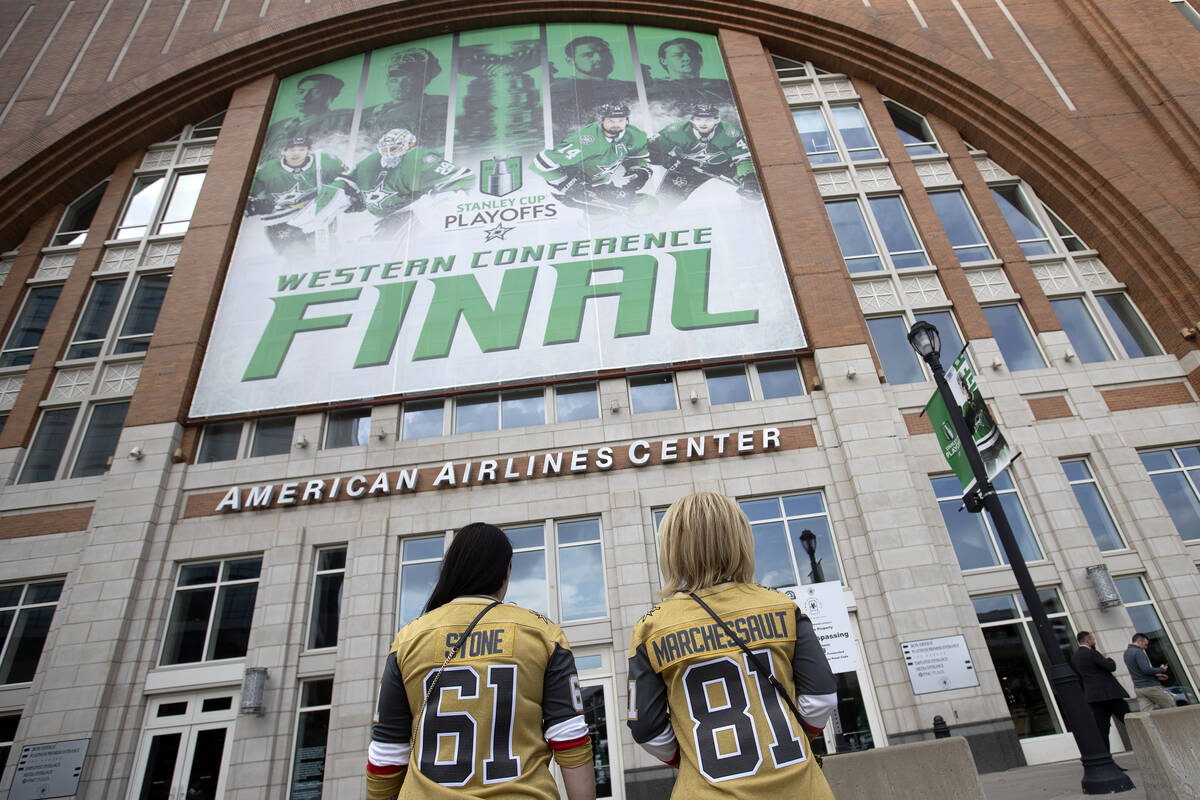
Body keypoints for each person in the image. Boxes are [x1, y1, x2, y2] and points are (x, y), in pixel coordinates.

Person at [626, 492, 837, 799]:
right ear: (740, 540)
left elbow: (647, 730)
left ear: (672, 549)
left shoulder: (651, 627)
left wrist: (693, 753)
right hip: (799, 786)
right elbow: (822, 699)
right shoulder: (782, 606)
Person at [366, 523, 596, 800]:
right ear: (506, 569)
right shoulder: (542, 633)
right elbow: (570, 739)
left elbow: (386, 756)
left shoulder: (408, 639)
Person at [348, 128, 472, 237]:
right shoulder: (373, 165)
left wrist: (438, 199)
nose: (389, 154)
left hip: (426, 208)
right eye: (385, 150)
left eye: (393, 149)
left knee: (437, 206)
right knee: (385, 236)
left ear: (409, 145)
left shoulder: (418, 159)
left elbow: (460, 177)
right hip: (402, 211)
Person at [533, 103, 653, 215]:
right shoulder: (589, 140)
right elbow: (541, 162)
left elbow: (639, 155)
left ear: (627, 121)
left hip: (602, 183)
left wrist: (640, 171)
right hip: (573, 191)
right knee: (606, 216)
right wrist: (566, 184)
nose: (616, 125)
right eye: (610, 121)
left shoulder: (634, 135)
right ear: (602, 121)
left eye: (620, 120)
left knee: (645, 205)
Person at [245, 136, 357, 254]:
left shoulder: (324, 161)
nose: (296, 153)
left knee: (331, 253)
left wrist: (350, 196)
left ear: (308, 150)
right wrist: (254, 205)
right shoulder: (268, 170)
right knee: (298, 257)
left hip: (314, 216)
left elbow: (349, 179)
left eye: (301, 149)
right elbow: (244, 199)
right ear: (284, 151)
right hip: (280, 222)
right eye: (292, 150)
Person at [649, 103, 759, 209]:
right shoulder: (677, 130)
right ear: (692, 120)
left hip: (725, 165)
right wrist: (666, 160)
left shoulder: (729, 132)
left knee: (754, 189)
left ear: (716, 120)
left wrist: (749, 178)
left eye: (708, 120)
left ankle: (751, 216)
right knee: (664, 202)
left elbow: (743, 158)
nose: (703, 123)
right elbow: (651, 148)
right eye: (698, 119)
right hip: (686, 167)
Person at [360, 48, 450, 152]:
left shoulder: (440, 104)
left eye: (409, 79)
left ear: (424, 80)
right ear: (387, 82)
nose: (399, 85)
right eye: (394, 79)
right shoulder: (370, 112)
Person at [549, 36, 637, 142]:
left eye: (604, 52)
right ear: (570, 61)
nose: (599, 58)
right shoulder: (560, 91)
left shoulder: (629, 87)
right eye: (588, 55)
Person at [261, 73, 353, 163]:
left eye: (315, 92)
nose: (304, 97)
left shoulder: (342, 121)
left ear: (331, 97)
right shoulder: (277, 128)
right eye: (300, 92)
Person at [1070, 631, 1130, 752]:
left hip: (1094, 697)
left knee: (1102, 729)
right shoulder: (1092, 653)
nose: (1094, 641)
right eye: (1092, 639)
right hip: (1109, 694)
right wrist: (1109, 659)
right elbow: (1110, 667)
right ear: (1088, 640)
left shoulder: (1075, 657)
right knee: (1130, 721)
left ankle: (1107, 760)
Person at [644, 37, 733, 118]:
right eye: (678, 55)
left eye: (692, 54)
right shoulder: (652, 89)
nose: (687, 58)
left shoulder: (725, 86)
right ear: (663, 61)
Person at [1122, 633, 1174, 711]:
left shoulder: (1126, 653)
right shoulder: (1138, 652)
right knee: (1171, 706)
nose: (1145, 648)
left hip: (1139, 688)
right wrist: (1161, 669)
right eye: (1145, 645)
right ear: (1139, 641)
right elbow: (1145, 669)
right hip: (1150, 687)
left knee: (1146, 713)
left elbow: (1138, 671)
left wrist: (1156, 676)